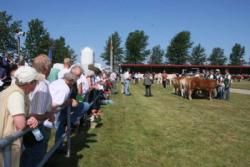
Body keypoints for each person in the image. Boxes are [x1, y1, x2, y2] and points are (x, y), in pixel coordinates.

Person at [0, 66, 40, 167]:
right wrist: (30, 121)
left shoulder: (12, 90)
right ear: (30, 83)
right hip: (7, 143)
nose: (37, 84)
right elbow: (20, 125)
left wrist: (29, 118)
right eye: (36, 81)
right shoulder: (16, 95)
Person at [20, 54, 55, 167]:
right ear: (46, 68)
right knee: (34, 159)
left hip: (30, 126)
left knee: (29, 157)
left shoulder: (32, 81)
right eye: (50, 67)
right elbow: (36, 114)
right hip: (34, 127)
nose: (50, 70)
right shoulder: (42, 84)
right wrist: (49, 114)